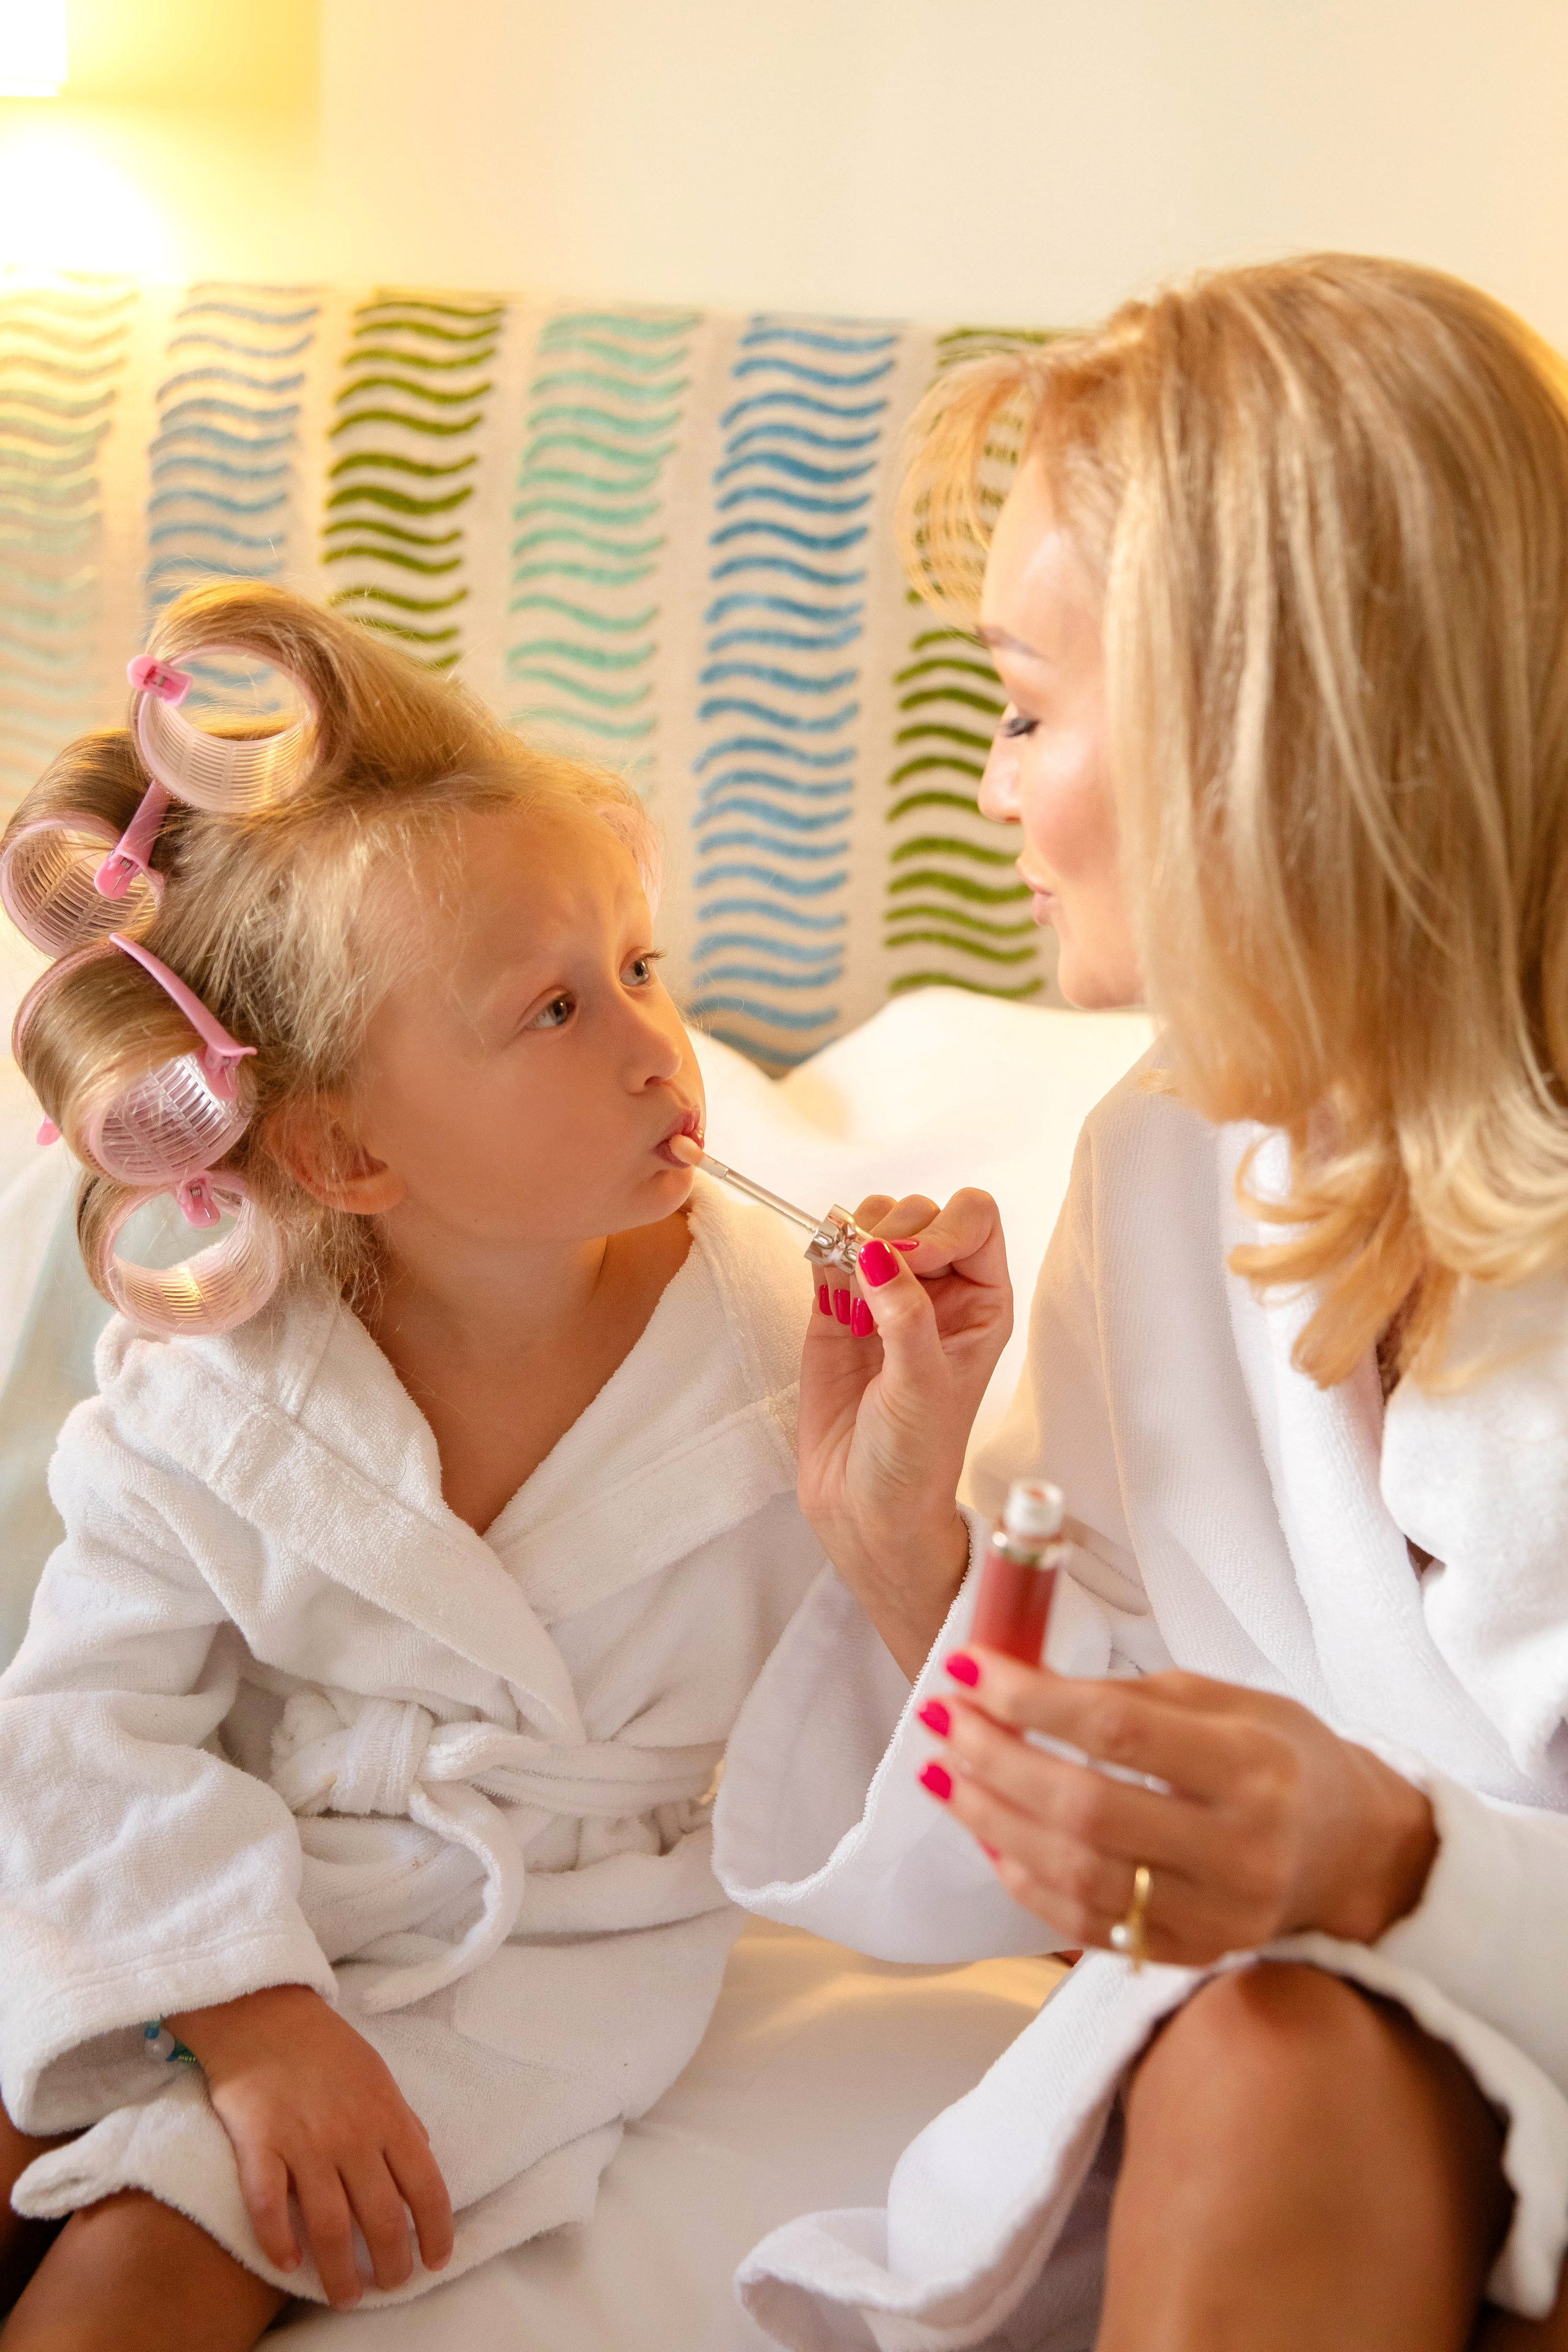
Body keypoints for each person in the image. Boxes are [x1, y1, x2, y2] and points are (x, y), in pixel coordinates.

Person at [714, 254, 1568, 2352]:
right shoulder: (1168, 1163)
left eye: (1021, 707)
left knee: (1285, 2051)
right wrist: (911, 1539)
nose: (995, 795)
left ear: (1253, 730)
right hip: (1346, 2107)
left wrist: (1400, 1863)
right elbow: (1127, 1814)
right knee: (1275, 2052)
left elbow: (1333, 1849)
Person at [0, 584, 825, 2347]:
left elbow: (890, 1719)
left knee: (126, 2284)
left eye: (640, 971)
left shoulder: (783, 1357)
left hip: (514, 1964)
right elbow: (76, 1728)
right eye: (551, 1012)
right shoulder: (222, 1383)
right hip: (215, 1901)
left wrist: (903, 1458)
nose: (650, 1046)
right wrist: (239, 2006)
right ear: (346, 1149)